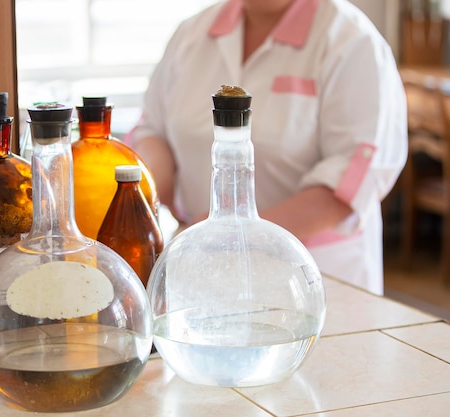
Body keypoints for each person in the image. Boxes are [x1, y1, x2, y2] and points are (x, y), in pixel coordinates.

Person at [128, 0, 407, 295]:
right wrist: (152, 205)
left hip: (312, 278)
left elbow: (350, 180)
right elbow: (152, 131)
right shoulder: (192, 34)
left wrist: (226, 238)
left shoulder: (350, 40)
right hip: (203, 271)